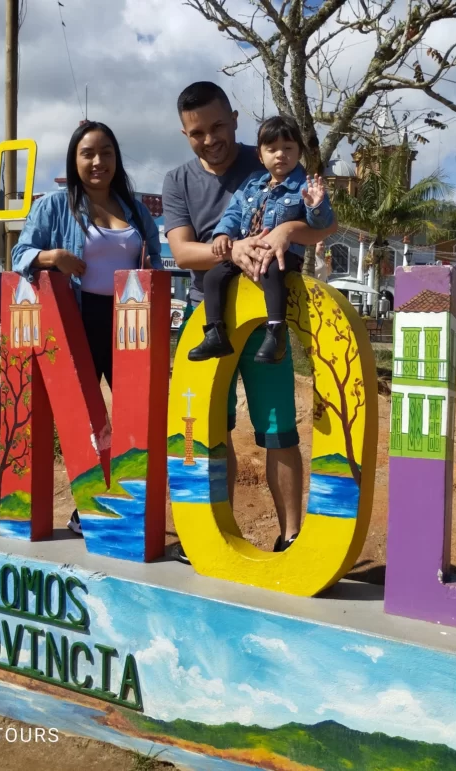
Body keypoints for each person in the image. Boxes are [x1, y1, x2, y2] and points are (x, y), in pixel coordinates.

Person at [162, 81, 337, 556]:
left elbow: (326, 225)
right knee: (205, 430)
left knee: (278, 427)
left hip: (264, 316)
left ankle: (292, 535)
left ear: (235, 119)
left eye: (218, 126)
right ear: (185, 133)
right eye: (197, 132)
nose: (210, 138)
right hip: (208, 313)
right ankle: (209, 535)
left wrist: (283, 230)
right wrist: (233, 247)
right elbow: (181, 251)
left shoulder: (270, 154)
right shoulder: (178, 180)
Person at [12, 120, 162, 536]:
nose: (98, 162)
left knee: (137, 419)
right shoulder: (54, 206)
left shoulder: (133, 208)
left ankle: (125, 502)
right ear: (74, 160)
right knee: (87, 420)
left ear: (116, 158)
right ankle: (89, 506)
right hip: (76, 319)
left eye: (106, 153)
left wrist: (152, 271)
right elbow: (19, 254)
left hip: (129, 325)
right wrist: (52, 256)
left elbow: (155, 264)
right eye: (88, 154)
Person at [189, 115, 333, 364]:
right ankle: (215, 333)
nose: (280, 155)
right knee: (213, 277)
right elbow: (234, 211)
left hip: (280, 254)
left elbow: (321, 224)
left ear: (299, 151)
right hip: (246, 249)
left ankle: (276, 331)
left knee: (271, 270)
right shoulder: (253, 183)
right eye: (272, 149)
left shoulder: (305, 186)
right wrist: (222, 233)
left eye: (288, 148)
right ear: (260, 154)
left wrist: (316, 206)